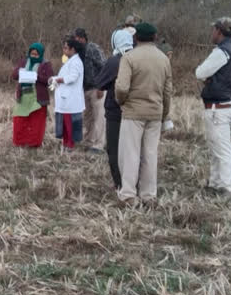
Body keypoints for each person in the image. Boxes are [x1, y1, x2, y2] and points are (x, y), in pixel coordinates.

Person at [114, 23, 172, 204]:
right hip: (155, 112)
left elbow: (122, 87)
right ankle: (149, 195)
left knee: (130, 153)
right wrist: (164, 114)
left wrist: (121, 101)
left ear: (136, 37)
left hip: (133, 111)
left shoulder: (129, 58)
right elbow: (167, 91)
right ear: (155, 37)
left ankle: (129, 194)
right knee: (150, 154)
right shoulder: (164, 59)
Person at [195, 18, 231, 194]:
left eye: (213, 30)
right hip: (222, 105)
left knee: (221, 148)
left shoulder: (222, 52)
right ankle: (215, 183)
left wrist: (208, 77)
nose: (211, 33)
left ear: (219, 31)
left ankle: (226, 186)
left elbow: (200, 72)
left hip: (217, 107)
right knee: (216, 148)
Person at [95, 30, 134, 189]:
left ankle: (119, 183)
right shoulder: (137, 58)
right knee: (133, 149)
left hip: (115, 111)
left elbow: (100, 83)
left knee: (114, 149)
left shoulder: (115, 61)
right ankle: (133, 182)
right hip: (135, 111)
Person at [10, 42, 53, 148]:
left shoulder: (46, 64)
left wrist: (36, 76)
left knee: (36, 122)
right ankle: (20, 141)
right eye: (32, 54)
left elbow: (50, 80)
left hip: (38, 97)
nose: (33, 56)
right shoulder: (24, 62)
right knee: (21, 119)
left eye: (36, 54)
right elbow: (14, 75)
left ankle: (33, 143)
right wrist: (21, 72)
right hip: (24, 96)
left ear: (41, 54)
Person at [74, 28, 106, 153]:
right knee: (88, 117)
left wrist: (102, 87)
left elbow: (104, 66)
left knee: (99, 117)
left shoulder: (93, 49)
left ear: (82, 38)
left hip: (97, 88)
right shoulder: (77, 53)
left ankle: (99, 145)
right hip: (84, 89)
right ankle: (89, 141)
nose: (75, 41)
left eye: (76, 38)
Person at [51, 36, 85, 150]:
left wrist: (59, 80)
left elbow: (72, 77)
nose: (64, 50)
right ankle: (66, 144)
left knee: (70, 124)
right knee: (65, 124)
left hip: (70, 100)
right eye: (64, 48)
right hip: (66, 99)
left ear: (73, 49)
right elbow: (65, 76)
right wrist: (54, 79)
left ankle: (70, 145)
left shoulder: (76, 62)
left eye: (66, 48)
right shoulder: (70, 61)